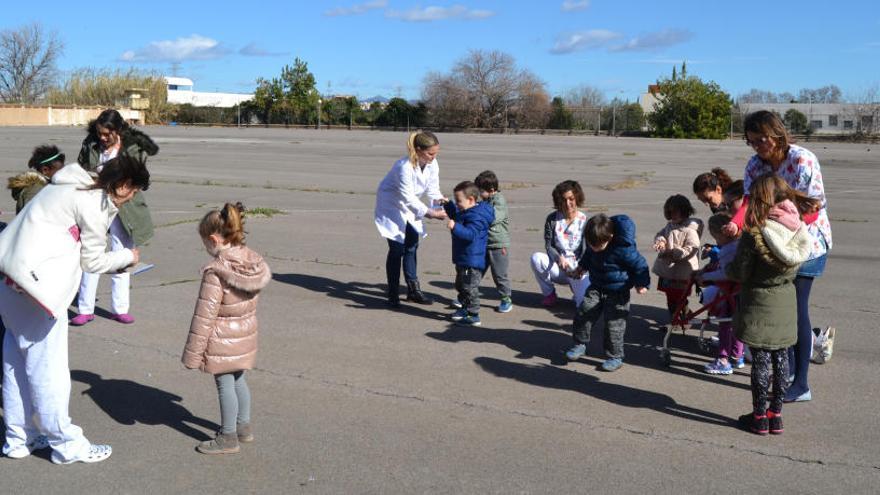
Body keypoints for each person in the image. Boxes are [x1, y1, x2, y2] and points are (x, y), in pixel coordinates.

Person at [0, 155, 149, 463]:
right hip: (35, 290)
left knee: (15, 363)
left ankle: (19, 439)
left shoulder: (66, 184)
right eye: (133, 191)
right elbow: (93, 262)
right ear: (122, 184)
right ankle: (66, 445)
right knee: (49, 372)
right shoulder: (93, 201)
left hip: (8, 280)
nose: (132, 197)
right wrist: (128, 258)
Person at [728, 110, 833, 403]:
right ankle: (785, 372)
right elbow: (749, 201)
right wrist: (737, 222)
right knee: (780, 311)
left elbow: (813, 207)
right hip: (774, 246)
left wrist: (783, 225)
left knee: (796, 310)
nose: (759, 146)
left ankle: (801, 384)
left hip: (806, 244)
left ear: (777, 133)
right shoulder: (754, 165)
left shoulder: (802, 159)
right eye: (752, 142)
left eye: (762, 139)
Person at [726, 174, 814, 434]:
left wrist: (727, 267)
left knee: (762, 360)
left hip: (759, 300)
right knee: (781, 359)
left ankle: (759, 416)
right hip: (785, 298)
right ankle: (776, 415)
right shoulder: (797, 228)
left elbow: (740, 272)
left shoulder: (755, 234)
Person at [182, 202, 271, 455]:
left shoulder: (216, 272)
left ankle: (228, 436)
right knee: (239, 378)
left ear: (213, 239)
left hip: (222, 338)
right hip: (245, 334)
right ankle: (244, 427)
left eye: (205, 245)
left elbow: (204, 317)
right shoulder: (252, 262)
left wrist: (193, 354)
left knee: (224, 384)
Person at [71, 108, 158, 326]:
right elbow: (81, 170)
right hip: (94, 205)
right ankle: (85, 309)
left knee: (123, 253)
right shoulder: (89, 144)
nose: (102, 138)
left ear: (117, 131)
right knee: (91, 255)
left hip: (124, 206)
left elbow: (140, 177)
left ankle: (120, 309)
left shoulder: (132, 148)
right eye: (99, 133)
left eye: (106, 134)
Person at [564, 214, 650, 372]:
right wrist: (581, 268)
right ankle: (579, 344)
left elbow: (640, 265)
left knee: (614, 325)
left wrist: (641, 283)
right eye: (590, 244)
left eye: (597, 245)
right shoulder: (594, 244)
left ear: (609, 237)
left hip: (618, 291)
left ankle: (615, 356)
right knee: (584, 312)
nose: (594, 248)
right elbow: (588, 256)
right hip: (596, 287)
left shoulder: (624, 249)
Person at [374, 131, 447, 308]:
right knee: (397, 249)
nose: (434, 157)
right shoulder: (404, 166)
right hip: (391, 205)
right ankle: (392, 294)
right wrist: (430, 213)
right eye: (430, 153)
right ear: (418, 150)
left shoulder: (432, 163)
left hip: (410, 207)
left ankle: (413, 291)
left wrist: (442, 204)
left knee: (412, 246)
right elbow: (408, 198)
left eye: (436, 153)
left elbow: (433, 190)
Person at [530, 180, 591, 308]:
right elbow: (549, 245)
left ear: (577, 198)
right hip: (559, 267)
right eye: (564, 200)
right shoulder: (552, 219)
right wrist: (559, 258)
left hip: (578, 269)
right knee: (536, 258)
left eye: (571, 199)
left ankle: (577, 291)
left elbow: (588, 250)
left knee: (584, 306)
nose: (568, 203)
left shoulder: (585, 220)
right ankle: (550, 294)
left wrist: (580, 268)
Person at [696, 213, 744, 374]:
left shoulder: (727, 250)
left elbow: (725, 273)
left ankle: (723, 359)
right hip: (741, 291)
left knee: (725, 325)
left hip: (730, 293)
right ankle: (737, 356)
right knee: (738, 324)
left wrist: (705, 277)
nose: (716, 241)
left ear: (723, 233)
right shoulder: (741, 245)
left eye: (716, 237)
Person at [444, 181, 494, 326]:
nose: (457, 203)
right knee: (461, 285)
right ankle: (464, 308)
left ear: (471, 199)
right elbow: (457, 215)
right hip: (463, 258)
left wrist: (455, 227)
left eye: (458, 200)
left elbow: (470, 235)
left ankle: (474, 314)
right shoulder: (466, 211)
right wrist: (448, 205)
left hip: (472, 260)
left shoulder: (477, 216)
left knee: (470, 288)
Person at [651, 194, 703, 323]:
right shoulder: (669, 226)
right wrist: (661, 241)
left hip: (682, 271)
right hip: (668, 270)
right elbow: (660, 234)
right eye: (670, 212)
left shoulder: (690, 230)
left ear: (685, 212)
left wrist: (674, 253)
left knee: (680, 296)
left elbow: (692, 248)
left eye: (676, 212)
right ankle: (674, 319)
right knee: (670, 296)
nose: (673, 216)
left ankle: (681, 318)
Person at [474, 170, 512, 313]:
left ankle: (506, 298)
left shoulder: (499, 201)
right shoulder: (485, 201)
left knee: (499, 274)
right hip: (484, 244)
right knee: (476, 271)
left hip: (498, 245)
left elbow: (494, 218)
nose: (479, 194)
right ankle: (467, 295)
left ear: (491, 190)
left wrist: (477, 215)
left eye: (481, 191)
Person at [8, 145, 65, 213]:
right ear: (45, 170)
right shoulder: (35, 190)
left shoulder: (45, 187)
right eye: (60, 171)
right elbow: (32, 217)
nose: (64, 173)